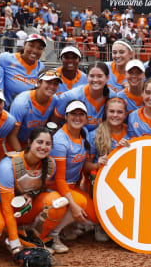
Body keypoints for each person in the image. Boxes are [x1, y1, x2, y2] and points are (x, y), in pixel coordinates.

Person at [0, 127, 67, 259]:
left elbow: (37, 190)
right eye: (39, 142)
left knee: (57, 203)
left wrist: (30, 196)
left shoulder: (50, 165)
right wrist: (15, 244)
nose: (43, 147)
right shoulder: (8, 165)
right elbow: (7, 207)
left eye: (48, 144)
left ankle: (31, 238)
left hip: (19, 207)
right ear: (29, 142)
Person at [48, 100, 99, 253]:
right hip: (54, 188)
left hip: (71, 186)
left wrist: (97, 165)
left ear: (86, 118)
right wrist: (73, 204)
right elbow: (59, 179)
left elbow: (82, 166)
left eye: (81, 114)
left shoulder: (83, 135)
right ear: (66, 116)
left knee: (95, 217)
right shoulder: (60, 141)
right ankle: (52, 235)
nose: (77, 118)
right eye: (73, 114)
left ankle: (66, 227)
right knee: (80, 204)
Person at [86, 97, 131, 242]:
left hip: (127, 180)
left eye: (119, 112)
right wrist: (97, 164)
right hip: (103, 183)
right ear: (105, 113)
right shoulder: (95, 134)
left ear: (125, 114)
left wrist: (130, 148)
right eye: (111, 111)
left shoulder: (131, 132)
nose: (115, 115)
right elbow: (85, 166)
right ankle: (100, 222)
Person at [53, 62, 114, 131]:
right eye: (92, 76)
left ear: (107, 78)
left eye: (99, 76)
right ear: (87, 77)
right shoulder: (71, 96)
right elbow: (54, 122)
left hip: (100, 138)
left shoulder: (113, 96)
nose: (95, 79)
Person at [9, 69, 61, 149]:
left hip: (34, 143)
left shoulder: (54, 100)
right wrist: (20, 157)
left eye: (55, 84)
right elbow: (11, 135)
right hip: (14, 142)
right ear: (39, 83)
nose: (52, 86)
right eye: (48, 82)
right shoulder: (22, 103)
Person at [0, 33, 46, 106]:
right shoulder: (6, 58)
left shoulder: (41, 67)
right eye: (31, 46)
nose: (35, 50)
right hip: (5, 111)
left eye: (39, 48)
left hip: (26, 111)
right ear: (24, 45)